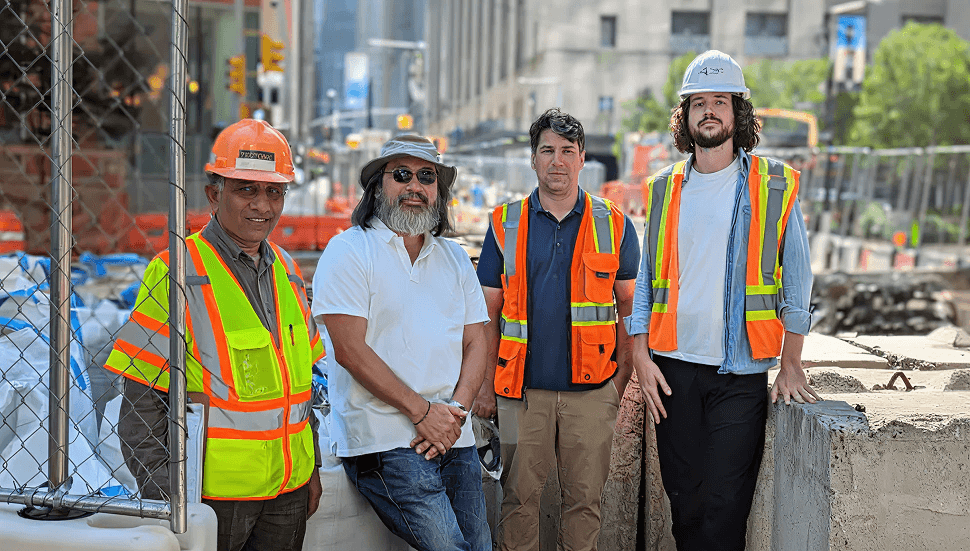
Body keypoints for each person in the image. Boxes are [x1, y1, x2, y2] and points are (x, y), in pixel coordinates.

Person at [628, 50, 820, 551]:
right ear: (685, 117)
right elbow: (647, 278)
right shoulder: (665, 188)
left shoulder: (773, 184)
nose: (709, 111)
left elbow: (797, 279)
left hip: (740, 376)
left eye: (720, 101)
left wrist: (792, 362)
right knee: (684, 507)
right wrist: (640, 355)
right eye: (698, 103)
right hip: (673, 370)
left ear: (738, 113)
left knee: (725, 508)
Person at [105, 119, 325, 551]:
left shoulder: (289, 272)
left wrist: (311, 467)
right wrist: (170, 497)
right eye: (246, 189)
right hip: (211, 500)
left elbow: (300, 388)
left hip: (289, 492)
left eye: (274, 191)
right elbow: (140, 403)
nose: (262, 205)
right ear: (214, 193)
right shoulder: (177, 272)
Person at [311, 134, 491, 551]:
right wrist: (422, 412)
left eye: (427, 176)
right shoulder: (348, 251)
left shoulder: (455, 257)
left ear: (438, 192)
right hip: (383, 437)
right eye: (402, 175)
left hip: (452, 433)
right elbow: (351, 352)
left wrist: (456, 414)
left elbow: (476, 342)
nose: (415, 186)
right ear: (378, 186)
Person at [473, 108, 640, 551]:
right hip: (521, 393)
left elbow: (630, 309)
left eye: (568, 151)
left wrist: (619, 382)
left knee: (585, 502)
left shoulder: (615, 223)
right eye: (547, 150)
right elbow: (486, 316)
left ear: (582, 157)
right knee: (518, 501)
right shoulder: (504, 223)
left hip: (593, 395)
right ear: (533, 159)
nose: (557, 161)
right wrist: (485, 386)